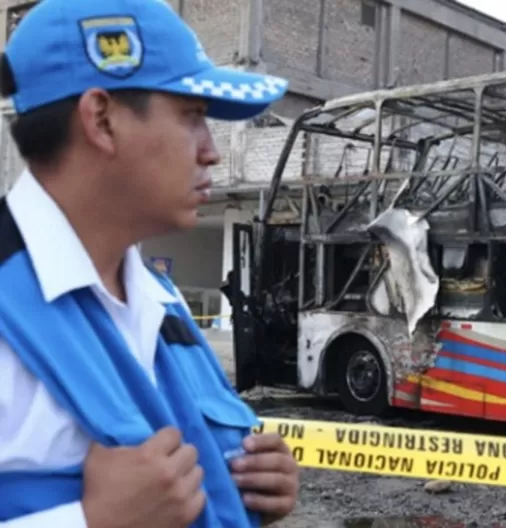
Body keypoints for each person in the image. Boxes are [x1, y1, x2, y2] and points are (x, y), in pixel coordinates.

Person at [0, 0, 299, 526]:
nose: (212, 152)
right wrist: (91, 521)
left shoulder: (161, 299)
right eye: (192, 117)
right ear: (102, 120)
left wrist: (251, 485)